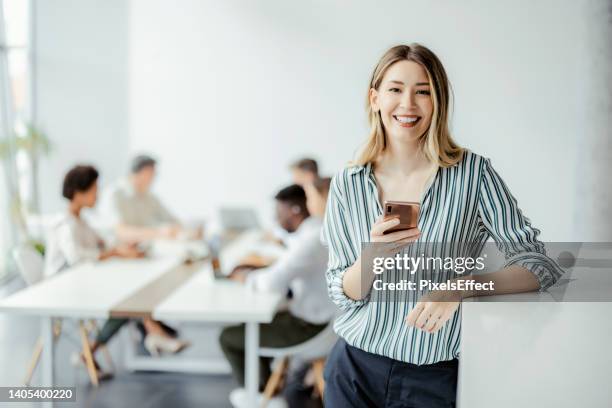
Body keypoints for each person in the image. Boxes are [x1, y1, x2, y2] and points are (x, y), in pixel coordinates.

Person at [321, 44, 564, 407]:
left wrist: (461, 287)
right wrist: (372, 257)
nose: (408, 104)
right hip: (353, 368)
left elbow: (538, 265)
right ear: (375, 98)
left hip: (433, 379)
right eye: (395, 89)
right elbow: (341, 291)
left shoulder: (474, 174)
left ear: (439, 102)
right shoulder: (348, 182)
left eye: (423, 91)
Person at [45, 165, 188, 379]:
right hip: (63, 291)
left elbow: (102, 244)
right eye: (94, 189)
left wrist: (121, 249)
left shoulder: (81, 221)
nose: (98, 194)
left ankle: (151, 332)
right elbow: (77, 257)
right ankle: (152, 332)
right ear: (79, 192)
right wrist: (114, 253)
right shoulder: (64, 224)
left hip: (82, 283)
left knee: (130, 296)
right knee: (126, 300)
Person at [219, 184, 336, 403]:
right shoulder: (312, 231)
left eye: (278, 213)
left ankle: (262, 397)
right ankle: (265, 389)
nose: (275, 219)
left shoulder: (312, 240)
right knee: (255, 325)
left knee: (229, 337)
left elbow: (273, 282)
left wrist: (245, 277)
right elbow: (286, 261)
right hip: (317, 318)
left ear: (294, 210)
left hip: (313, 328)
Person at [100, 154, 199, 242]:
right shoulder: (114, 194)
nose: (154, 178)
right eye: (151, 173)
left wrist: (188, 231)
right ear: (137, 173)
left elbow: (173, 221)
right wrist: (159, 232)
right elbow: (120, 232)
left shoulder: (149, 197)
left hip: (144, 251)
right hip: (119, 254)